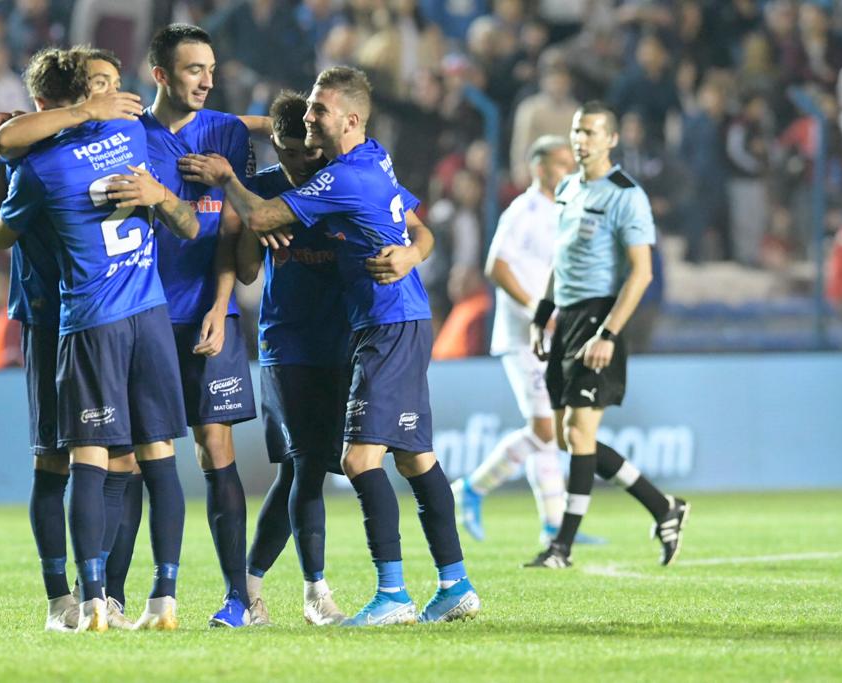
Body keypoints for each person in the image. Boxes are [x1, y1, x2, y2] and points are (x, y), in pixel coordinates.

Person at [181, 66, 479, 626]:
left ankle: (389, 594)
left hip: (373, 328)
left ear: (349, 120)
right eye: (297, 130)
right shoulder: (366, 160)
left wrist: (228, 182)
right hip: (324, 335)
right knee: (391, 459)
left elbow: (417, 230)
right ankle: (452, 583)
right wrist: (249, 225)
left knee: (354, 459)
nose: (306, 136)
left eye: (318, 112)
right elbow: (249, 258)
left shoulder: (339, 176)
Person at [0, 46, 198, 632]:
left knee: (115, 459)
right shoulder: (51, 153)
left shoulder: (55, 160)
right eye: (98, 87)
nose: (111, 95)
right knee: (57, 459)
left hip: (94, 317)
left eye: (114, 83)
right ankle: (66, 598)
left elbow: (0, 202)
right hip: (55, 318)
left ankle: (103, 595)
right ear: (58, 103)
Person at [524, 101, 689, 569]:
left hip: (601, 318)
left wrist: (609, 333)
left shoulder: (626, 195)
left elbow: (640, 274)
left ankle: (562, 547)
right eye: (578, 131)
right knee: (567, 437)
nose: (582, 140)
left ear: (612, 140)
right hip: (568, 319)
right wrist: (542, 313)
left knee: (579, 434)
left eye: (592, 133)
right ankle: (664, 507)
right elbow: (562, 259)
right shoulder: (569, 188)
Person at [141, 23, 258, 628]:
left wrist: (219, 306)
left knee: (216, 450)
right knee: (136, 458)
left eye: (211, 69)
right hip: (141, 318)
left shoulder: (228, 133)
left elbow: (233, 228)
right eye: (193, 70)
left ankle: (238, 599)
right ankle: (127, 594)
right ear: (161, 74)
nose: (207, 80)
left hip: (210, 313)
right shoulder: (130, 134)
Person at [451, 135, 605, 548]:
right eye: (560, 164)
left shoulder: (566, 211)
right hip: (522, 336)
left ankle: (554, 525)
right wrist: (540, 311)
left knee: (549, 430)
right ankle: (471, 488)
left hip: (551, 335)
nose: (569, 171)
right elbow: (496, 267)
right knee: (544, 426)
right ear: (539, 168)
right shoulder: (523, 210)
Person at [235, 91, 348, 626]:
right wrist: (253, 224)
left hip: (343, 343)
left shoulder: (343, 178)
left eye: (305, 151)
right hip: (286, 344)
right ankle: (315, 593)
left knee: (301, 474)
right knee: (304, 465)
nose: (297, 163)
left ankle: (247, 587)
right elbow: (245, 272)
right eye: (285, 152)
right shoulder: (261, 190)